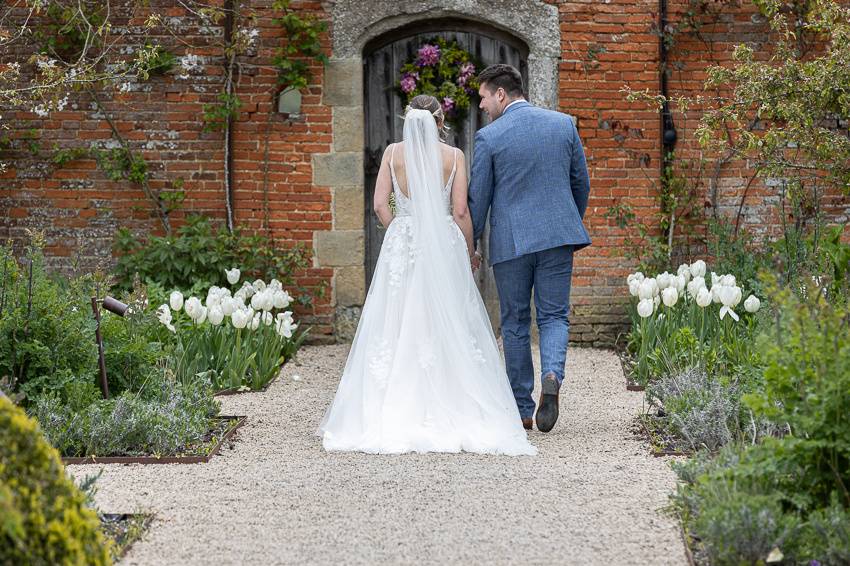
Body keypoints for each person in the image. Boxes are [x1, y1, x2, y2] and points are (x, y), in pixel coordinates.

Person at [318, 94, 536, 456]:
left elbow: (378, 204)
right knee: (447, 315)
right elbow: (461, 209)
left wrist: (399, 229)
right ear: (439, 121)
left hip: (402, 243)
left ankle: (390, 405)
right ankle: (455, 401)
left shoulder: (391, 153)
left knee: (397, 317)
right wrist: (470, 252)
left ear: (408, 119)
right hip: (444, 243)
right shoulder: (454, 157)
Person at [468, 64, 591, 433]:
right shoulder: (563, 124)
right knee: (554, 316)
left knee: (516, 322)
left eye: (484, 97)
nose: (482, 106)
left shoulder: (489, 137)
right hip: (557, 236)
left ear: (500, 94)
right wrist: (564, 222)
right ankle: (552, 374)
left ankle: (522, 408)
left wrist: (470, 241)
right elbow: (580, 183)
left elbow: (479, 199)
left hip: (512, 242)